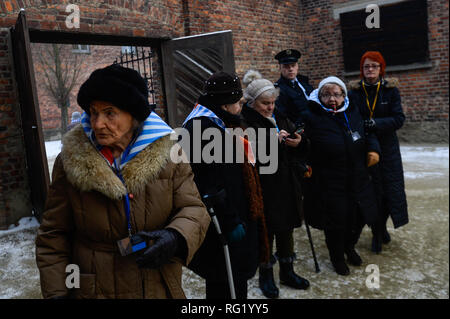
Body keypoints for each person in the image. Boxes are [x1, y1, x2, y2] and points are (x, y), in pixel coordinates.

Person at [35, 64, 210, 299]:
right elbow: (54, 234)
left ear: (133, 115)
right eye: (93, 112)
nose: (97, 124)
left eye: (109, 113)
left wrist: (175, 237)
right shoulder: (70, 162)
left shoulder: (170, 156)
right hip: (95, 289)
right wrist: (57, 293)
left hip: (155, 284)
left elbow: (194, 208)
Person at [182, 71, 269, 299]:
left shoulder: (218, 122)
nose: (240, 107)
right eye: (238, 103)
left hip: (233, 213)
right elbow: (207, 182)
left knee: (231, 281)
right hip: (222, 222)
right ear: (225, 103)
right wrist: (230, 221)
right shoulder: (202, 129)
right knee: (226, 284)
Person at [241, 70, 310, 298]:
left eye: (272, 102)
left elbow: (294, 133)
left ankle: (288, 271)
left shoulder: (278, 115)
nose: (270, 107)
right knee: (266, 231)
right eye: (264, 103)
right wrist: (274, 142)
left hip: (287, 183)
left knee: (287, 227)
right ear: (252, 103)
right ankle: (266, 275)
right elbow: (251, 153)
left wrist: (298, 140)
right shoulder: (245, 121)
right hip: (265, 186)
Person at [302, 76, 381, 276]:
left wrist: (373, 149)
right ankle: (337, 257)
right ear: (319, 96)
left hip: (358, 176)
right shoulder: (311, 116)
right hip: (330, 180)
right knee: (337, 221)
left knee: (359, 217)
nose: (332, 99)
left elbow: (368, 133)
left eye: (336, 94)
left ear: (344, 96)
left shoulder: (353, 112)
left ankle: (349, 246)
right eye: (326, 95)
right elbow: (303, 143)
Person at [348, 51, 409, 253]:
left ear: (381, 68)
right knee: (371, 190)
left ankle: (381, 227)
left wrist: (376, 123)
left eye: (374, 66)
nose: (370, 70)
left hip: (388, 148)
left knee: (388, 191)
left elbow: (399, 119)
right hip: (365, 147)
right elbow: (353, 118)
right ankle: (376, 230)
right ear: (362, 70)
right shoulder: (355, 92)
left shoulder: (390, 91)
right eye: (366, 66)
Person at [274, 49, 314, 126]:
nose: (291, 69)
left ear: (297, 66)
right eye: (286, 66)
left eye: (293, 65)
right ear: (280, 68)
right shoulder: (278, 89)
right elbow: (283, 117)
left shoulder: (304, 83)